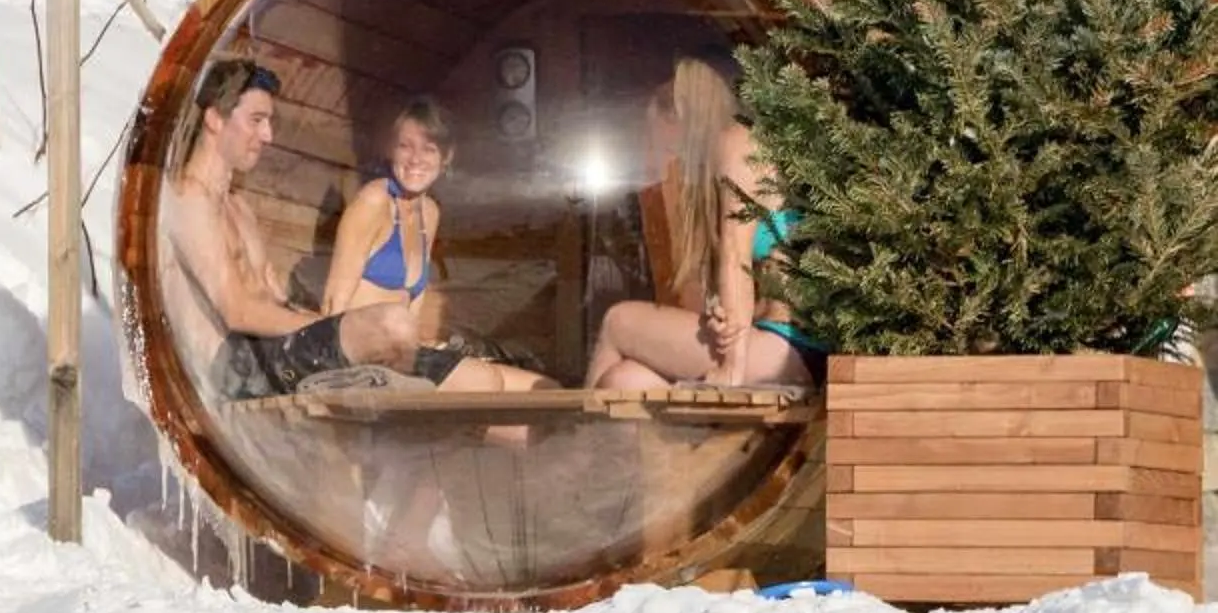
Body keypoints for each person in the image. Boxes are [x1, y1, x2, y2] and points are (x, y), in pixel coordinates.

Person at [162, 61, 530, 399]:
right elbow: (236, 312)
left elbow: (273, 299)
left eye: (269, 121)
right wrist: (335, 326)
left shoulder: (237, 207)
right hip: (236, 365)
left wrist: (330, 328)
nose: (268, 135)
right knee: (393, 323)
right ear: (214, 118)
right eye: (257, 120)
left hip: (275, 352)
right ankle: (370, 379)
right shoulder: (189, 200)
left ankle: (376, 377)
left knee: (490, 380)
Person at [586, 57, 822, 391]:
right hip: (773, 340)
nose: (667, 158)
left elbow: (733, 255)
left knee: (617, 321)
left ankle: (574, 432)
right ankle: (627, 442)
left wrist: (731, 367)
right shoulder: (724, 158)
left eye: (663, 143)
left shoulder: (738, 144)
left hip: (788, 350)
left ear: (677, 119)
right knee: (624, 380)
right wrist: (725, 315)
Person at [319, 97, 549, 389]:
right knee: (483, 382)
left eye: (429, 149)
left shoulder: (430, 213)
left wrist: (429, 348)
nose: (416, 160)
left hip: (403, 357)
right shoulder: (374, 200)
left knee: (541, 388)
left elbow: (413, 308)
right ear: (392, 150)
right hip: (358, 359)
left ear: (447, 157)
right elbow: (333, 302)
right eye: (405, 146)